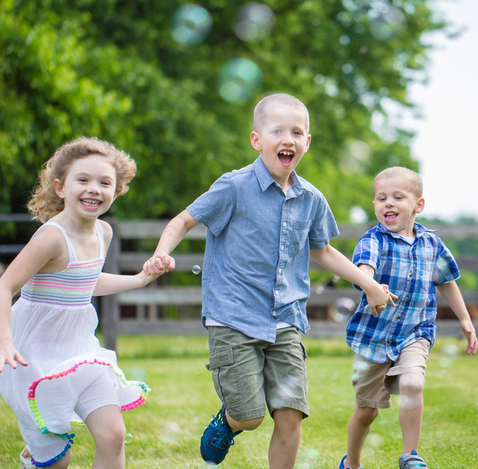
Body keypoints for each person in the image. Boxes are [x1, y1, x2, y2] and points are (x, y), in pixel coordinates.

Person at [143, 93, 395, 469]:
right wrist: (161, 252)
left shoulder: (311, 199)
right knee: (250, 416)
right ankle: (229, 422)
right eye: (277, 130)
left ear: (306, 142)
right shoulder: (233, 187)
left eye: (297, 132)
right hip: (233, 317)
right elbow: (183, 221)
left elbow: (322, 251)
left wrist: (368, 284)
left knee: (290, 413)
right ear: (257, 140)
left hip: (286, 319)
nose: (288, 139)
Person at [0, 137, 166, 469]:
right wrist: (2, 341)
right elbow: (3, 287)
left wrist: (139, 279)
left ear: (117, 190)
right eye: (83, 180)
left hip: (78, 348)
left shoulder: (104, 233)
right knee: (57, 461)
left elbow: (85, 281)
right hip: (32, 355)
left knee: (112, 434)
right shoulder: (52, 237)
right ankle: (33, 457)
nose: (93, 189)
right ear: (60, 187)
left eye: (104, 182)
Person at [338, 166, 478, 469]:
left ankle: (411, 455)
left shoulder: (432, 244)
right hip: (373, 336)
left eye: (397, 197)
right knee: (366, 412)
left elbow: (447, 282)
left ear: (418, 205)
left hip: (416, 331)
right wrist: (371, 286)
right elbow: (364, 269)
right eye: (381, 198)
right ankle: (351, 463)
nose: (388, 203)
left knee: (414, 384)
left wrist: (465, 318)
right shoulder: (373, 240)